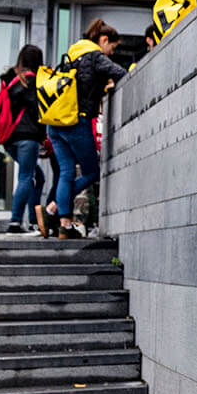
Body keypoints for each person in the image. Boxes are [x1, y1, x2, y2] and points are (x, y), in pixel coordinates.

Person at [47, 20, 126, 239]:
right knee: (91, 172)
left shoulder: (72, 54)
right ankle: (53, 207)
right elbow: (121, 73)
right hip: (76, 123)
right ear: (103, 40)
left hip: (55, 124)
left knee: (66, 172)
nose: (111, 53)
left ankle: (64, 224)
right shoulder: (95, 55)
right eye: (112, 47)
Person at [1, 45, 46, 234]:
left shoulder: (10, 79)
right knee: (26, 177)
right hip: (27, 136)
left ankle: (34, 221)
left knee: (38, 177)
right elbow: (38, 111)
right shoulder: (31, 81)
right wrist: (43, 135)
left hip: (9, 138)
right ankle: (15, 221)